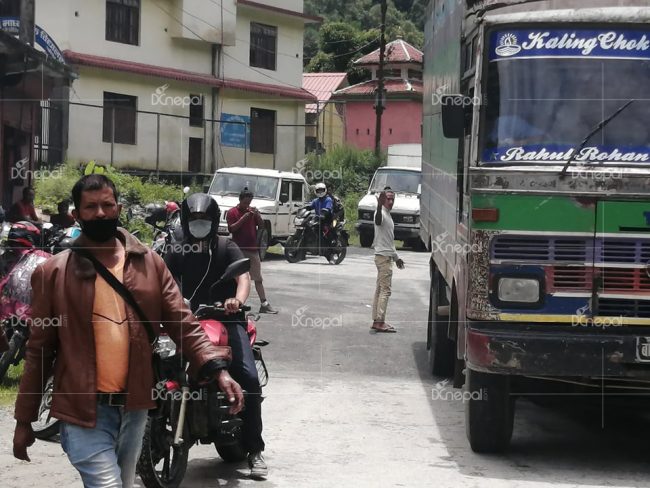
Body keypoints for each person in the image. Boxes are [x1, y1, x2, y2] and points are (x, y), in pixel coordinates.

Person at [12, 175, 244, 488]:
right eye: (90, 207)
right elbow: (39, 350)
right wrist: (24, 419)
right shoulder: (53, 273)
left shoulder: (150, 264)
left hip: (135, 408)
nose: (100, 213)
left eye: (107, 205)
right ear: (76, 214)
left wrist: (218, 369)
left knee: (121, 482)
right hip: (82, 409)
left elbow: (182, 321)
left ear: (118, 208)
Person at [166, 193, 268, 480]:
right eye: (194, 219)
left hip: (227, 319)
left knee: (248, 378)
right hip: (188, 320)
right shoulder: (177, 248)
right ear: (186, 220)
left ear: (213, 220)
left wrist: (237, 300)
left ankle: (255, 450)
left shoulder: (226, 246)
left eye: (204, 219)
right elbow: (164, 279)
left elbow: (243, 278)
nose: (199, 224)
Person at [226, 188, 278, 314]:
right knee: (236, 278)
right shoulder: (232, 212)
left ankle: (264, 304)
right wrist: (244, 218)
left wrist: (257, 215)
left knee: (258, 278)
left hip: (252, 249)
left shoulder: (251, 212)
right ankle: (235, 303)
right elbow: (231, 229)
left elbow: (262, 226)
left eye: (249, 203)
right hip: (238, 250)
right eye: (245, 203)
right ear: (240, 200)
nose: (247, 205)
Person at [371, 187, 405, 333]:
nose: (391, 202)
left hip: (385, 255)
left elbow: (389, 241)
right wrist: (379, 206)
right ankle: (380, 321)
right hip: (383, 258)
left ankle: (377, 320)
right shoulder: (381, 213)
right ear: (382, 200)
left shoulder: (388, 215)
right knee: (385, 290)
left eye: (392, 199)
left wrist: (397, 258)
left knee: (380, 290)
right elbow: (378, 221)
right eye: (388, 199)